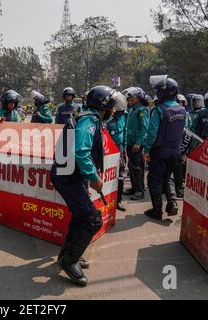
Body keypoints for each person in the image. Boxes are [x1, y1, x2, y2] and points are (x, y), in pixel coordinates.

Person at [51, 85, 116, 287]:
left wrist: (86, 179)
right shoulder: (89, 119)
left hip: (71, 175)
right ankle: (69, 262)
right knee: (92, 219)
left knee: (81, 215)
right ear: (104, 105)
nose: (114, 110)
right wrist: (94, 177)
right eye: (112, 106)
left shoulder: (89, 116)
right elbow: (80, 151)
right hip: (67, 177)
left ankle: (68, 255)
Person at [143, 76, 186, 220]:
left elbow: (152, 132)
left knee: (154, 179)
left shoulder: (159, 110)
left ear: (166, 92)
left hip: (159, 151)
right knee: (168, 177)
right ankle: (172, 203)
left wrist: (147, 149)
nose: (157, 94)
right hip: (175, 150)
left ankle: (157, 211)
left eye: (159, 91)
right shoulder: (182, 110)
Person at [123, 87, 150, 201]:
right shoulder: (132, 109)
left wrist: (138, 143)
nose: (130, 99)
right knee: (131, 166)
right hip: (130, 142)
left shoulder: (142, 110)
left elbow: (144, 128)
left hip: (137, 144)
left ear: (139, 98)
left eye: (132, 97)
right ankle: (134, 187)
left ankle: (140, 189)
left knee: (138, 166)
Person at [106, 91, 128, 211]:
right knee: (106, 175)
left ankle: (118, 201)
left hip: (119, 148)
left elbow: (124, 132)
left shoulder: (124, 115)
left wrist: (123, 150)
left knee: (120, 175)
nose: (118, 113)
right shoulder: (106, 116)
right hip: (107, 149)